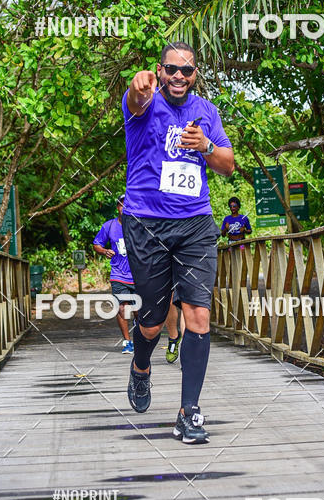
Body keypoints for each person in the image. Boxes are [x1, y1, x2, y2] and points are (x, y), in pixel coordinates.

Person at [121, 41, 234, 443]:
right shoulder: (146, 102)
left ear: (195, 74)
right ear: (160, 70)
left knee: (198, 316)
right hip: (146, 223)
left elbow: (227, 164)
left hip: (195, 223)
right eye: (171, 69)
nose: (179, 76)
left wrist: (206, 146)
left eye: (186, 70)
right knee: (152, 323)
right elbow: (135, 100)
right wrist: (137, 87)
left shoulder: (206, 112)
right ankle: (141, 366)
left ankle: (189, 412)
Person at [93, 196, 136, 354]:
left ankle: (139, 336)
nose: (124, 208)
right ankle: (127, 341)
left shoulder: (139, 225)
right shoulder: (109, 226)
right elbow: (96, 244)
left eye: (127, 205)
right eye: (121, 205)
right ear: (117, 207)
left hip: (138, 275)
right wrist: (104, 251)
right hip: (119, 274)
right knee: (122, 308)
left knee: (139, 311)